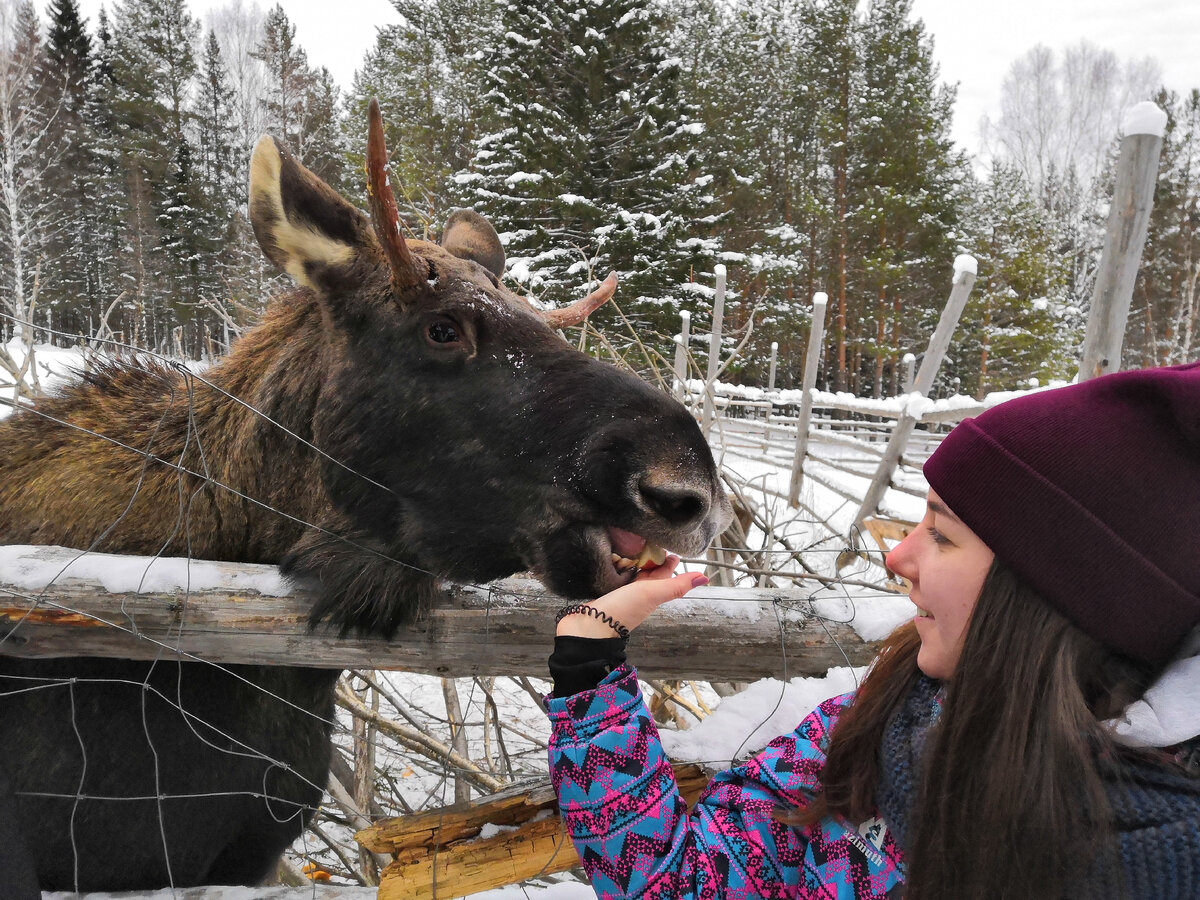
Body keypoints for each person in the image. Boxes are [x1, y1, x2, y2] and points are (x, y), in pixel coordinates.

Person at [545, 361, 1200, 900]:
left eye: (940, 534)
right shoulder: (880, 723)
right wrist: (590, 661)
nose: (896, 556)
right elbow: (680, 884)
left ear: (1049, 595)